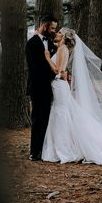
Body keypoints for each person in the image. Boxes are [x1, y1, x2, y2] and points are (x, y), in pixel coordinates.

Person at [42, 28, 102, 167]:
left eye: (59, 33)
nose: (56, 34)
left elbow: (58, 70)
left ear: (64, 37)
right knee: (63, 113)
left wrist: (47, 58)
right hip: (60, 85)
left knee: (61, 114)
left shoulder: (62, 49)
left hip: (59, 85)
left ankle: (64, 149)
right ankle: (63, 146)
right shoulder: (63, 49)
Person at [25, 15, 66, 161]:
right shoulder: (32, 43)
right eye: (52, 28)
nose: (54, 31)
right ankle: (34, 152)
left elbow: (57, 61)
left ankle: (45, 149)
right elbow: (34, 68)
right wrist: (54, 73)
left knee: (47, 118)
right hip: (37, 87)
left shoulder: (49, 42)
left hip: (50, 88)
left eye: (55, 28)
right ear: (44, 26)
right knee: (38, 119)